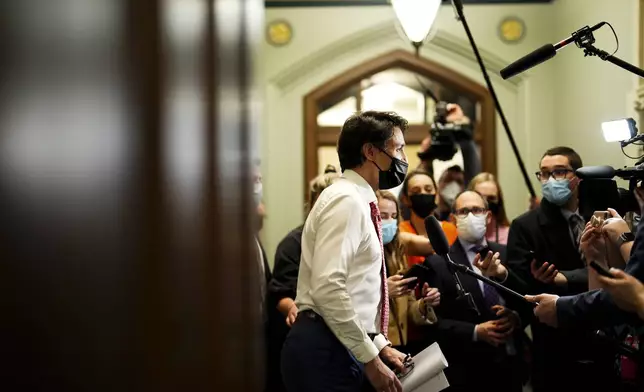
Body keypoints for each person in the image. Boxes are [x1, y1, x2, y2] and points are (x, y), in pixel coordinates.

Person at [281, 111, 410, 392]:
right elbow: (329, 287)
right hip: (324, 347)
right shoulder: (347, 200)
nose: (403, 157)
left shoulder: (358, 199)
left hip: (336, 341)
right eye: (398, 148)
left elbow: (353, 290)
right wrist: (371, 360)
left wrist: (378, 346)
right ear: (370, 152)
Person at [507, 146, 613, 392]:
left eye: (559, 172)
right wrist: (542, 282)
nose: (550, 180)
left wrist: (565, 279)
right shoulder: (525, 226)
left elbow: (618, 272)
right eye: (544, 173)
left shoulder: (604, 215)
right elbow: (521, 291)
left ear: (577, 177)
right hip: (555, 345)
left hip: (604, 338)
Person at [423, 191, 526, 392]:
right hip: (467, 371)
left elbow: (527, 300)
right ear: (453, 219)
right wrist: (475, 331)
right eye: (463, 211)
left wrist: (516, 317)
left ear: (488, 216)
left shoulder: (506, 253)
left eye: (476, 210)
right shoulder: (439, 263)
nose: (470, 216)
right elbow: (435, 323)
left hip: (510, 366)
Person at [377, 190, 441, 355]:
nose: (389, 222)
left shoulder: (397, 253)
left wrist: (424, 303)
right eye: (383, 216)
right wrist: (382, 291)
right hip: (372, 350)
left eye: (393, 216)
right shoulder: (357, 254)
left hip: (400, 347)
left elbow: (409, 308)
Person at [399, 170, 458, 267]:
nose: (423, 194)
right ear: (405, 199)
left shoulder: (451, 230)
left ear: (437, 196)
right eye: (416, 191)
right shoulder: (400, 230)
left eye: (428, 189)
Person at [468, 172, 510, 245]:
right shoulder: (460, 235)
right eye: (479, 196)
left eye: (491, 198)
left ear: (499, 201)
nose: (485, 203)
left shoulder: (510, 236)